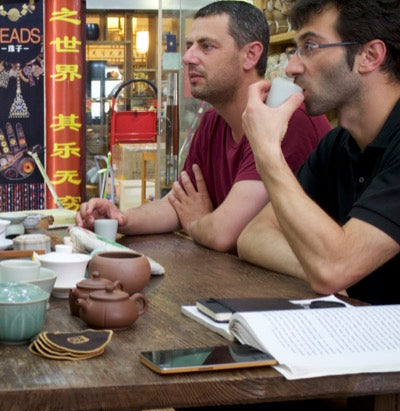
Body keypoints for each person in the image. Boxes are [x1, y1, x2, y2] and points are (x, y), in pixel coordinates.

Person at [77, 1, 330, 253]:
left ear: (250, 55)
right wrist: (119, 218)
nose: (188, 58)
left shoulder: (284, 117)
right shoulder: (213, 121)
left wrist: (197, 222)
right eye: (189, 46)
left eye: (206, 46)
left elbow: (223, 234)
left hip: (299, 290)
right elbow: (179, 204)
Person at [238, 0, 400, 305]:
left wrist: (267, 151)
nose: (291, 67)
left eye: (310, 47)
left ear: (370, 56)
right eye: (296, 49)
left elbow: (333, 268)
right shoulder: (338, 144)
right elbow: (253, 236)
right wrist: (318, 265)